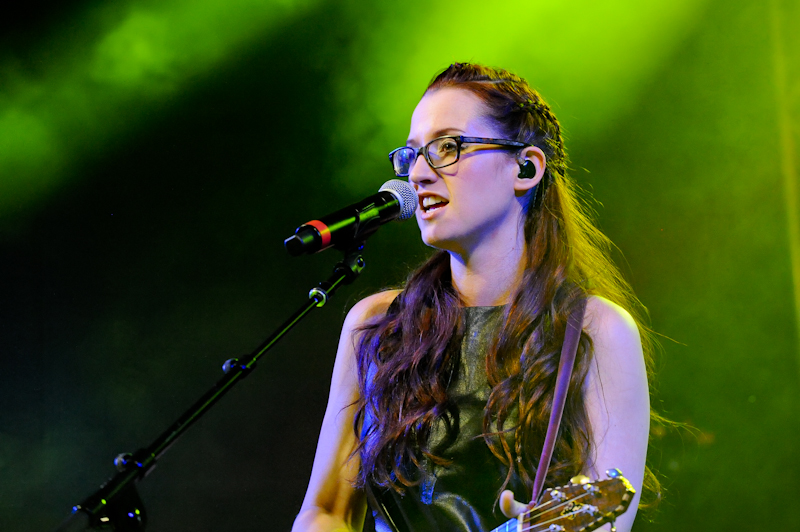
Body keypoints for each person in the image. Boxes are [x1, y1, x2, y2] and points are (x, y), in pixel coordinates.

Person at [292, 63, 657, 532]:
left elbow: (607, 519)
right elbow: (325, 511)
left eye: (448, 147)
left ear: (525, 168)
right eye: (411, 154)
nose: (419, 174)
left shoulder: (596, 331)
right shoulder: (376, 324)